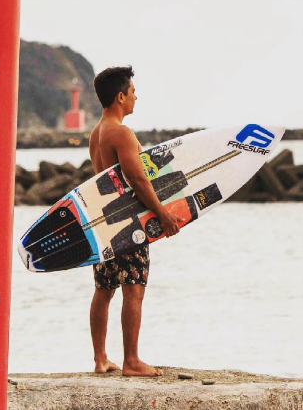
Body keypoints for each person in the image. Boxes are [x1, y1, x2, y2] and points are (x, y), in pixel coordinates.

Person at [87, 65, 180, 376]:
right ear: (120, 96)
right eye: (133, 92)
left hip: (104, 222)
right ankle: (132, 361)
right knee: (134, 288)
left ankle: (101, 360)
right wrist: (162, 214)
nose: (136, 98)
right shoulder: (122, 133)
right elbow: (138, 180)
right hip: (129, 223)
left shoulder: (96, 134)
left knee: (104, 289)